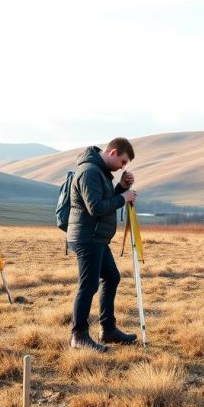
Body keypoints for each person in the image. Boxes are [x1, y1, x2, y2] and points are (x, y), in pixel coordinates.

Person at [66, 137, 139, 352]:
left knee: (111, 276)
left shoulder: (99, 172)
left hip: (96, 236)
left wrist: (120, 188)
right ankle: (78, 336)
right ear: (113, 152)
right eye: (123, 162)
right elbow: (96, 207)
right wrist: (124, 197)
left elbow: (104, 199)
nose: (122, 167)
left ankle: (108, 330)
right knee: (88, 285)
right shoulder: (89, 171)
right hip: (87, 237)